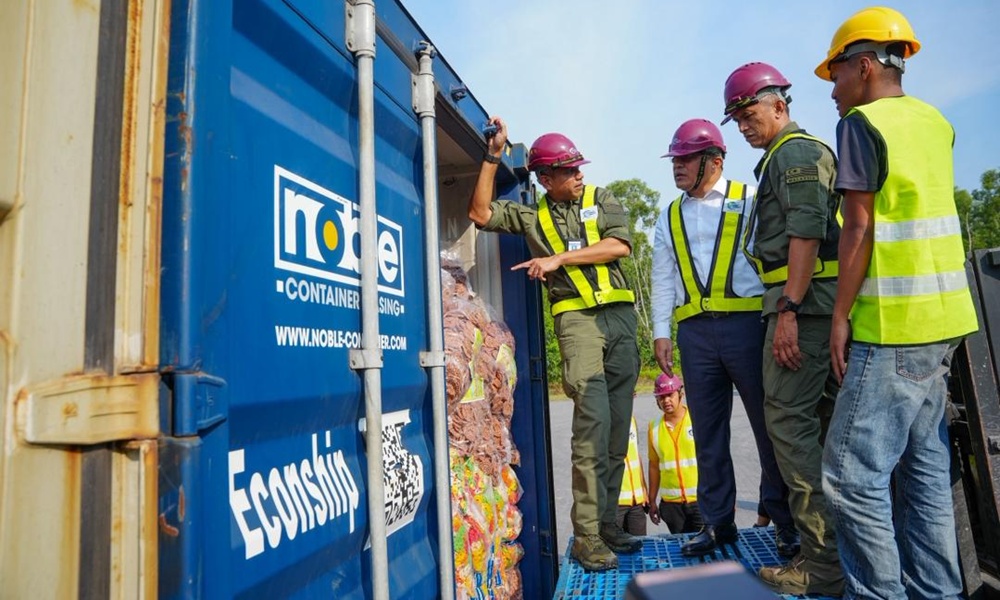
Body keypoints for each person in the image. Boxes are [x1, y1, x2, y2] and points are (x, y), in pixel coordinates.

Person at [815, 7, 979, 598]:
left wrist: (839, 316)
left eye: (836, 74)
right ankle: (939, 593)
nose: (833, 90)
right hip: (945, 321)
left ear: (864, 66)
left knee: (850, 479)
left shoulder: (862, 123)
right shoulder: (935, 121)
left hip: (893, 327)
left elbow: (858, 229)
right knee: (924, 469)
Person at [468, 117, 641, 572]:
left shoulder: (601, 198)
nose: (580, 175)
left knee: (617, 432)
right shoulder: (532, 216)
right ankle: (587, 537)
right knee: (592, 428)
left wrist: (558, 259)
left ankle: (607, 525)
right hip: (579, 325)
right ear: (546, 179)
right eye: (570, 170)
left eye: (579, 167)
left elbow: (619, 246)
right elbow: (480, 214)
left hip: (621, 322)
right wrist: (492, 156)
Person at [721, 62, 845, 596]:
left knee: (792, 432)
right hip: (808, 305)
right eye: (736, 119)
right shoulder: (781, 156)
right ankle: (838, 558)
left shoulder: (794, 153)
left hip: (804, 307)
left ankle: (822, 569)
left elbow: (806, 233)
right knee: (819, 433)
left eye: (749, 114)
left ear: (779, 104)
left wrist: (789, 309)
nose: (743, 126)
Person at [650, 119, 797, 558]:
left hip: (748, 328)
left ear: (714, 161)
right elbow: (662, 277)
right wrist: (661, 332)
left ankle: (786, 523)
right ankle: (717, 523)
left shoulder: (750, 198)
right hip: (695, 335)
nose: (677, 166)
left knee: (769, 429)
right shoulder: (668, 216)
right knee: (708, 435)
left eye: (685, 159)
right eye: (674, 159)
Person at [646, 373, 703, 534]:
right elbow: (654, 466)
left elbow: (715, 459)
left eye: (670, 395)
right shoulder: (654, 428)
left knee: (708, 547)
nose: (666, 401)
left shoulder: (697, 419)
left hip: (701, 501)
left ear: (680, 394)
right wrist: (652, 500)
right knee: (681, 547)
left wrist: (726, 497)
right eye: (661, 397)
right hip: (672, 507)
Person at [617, 414, 649, 536]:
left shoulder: (632, 420)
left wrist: (643, 489)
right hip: (615, 502)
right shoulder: (601, 421)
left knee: (640, 544)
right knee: (613, 545)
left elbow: (635, 454)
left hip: (637, 501)